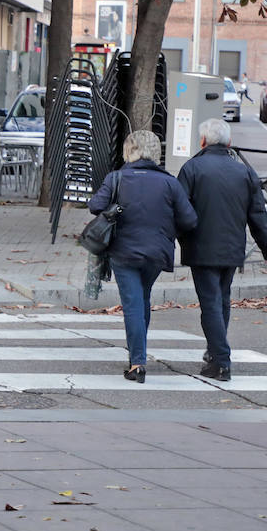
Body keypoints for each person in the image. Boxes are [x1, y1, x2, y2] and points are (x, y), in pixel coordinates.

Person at [88, 129, 197, 383]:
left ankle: (137, 362)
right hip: (157, 253)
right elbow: (190, 219)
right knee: (142, 299)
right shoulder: (170, 182)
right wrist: (168, 229)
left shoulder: (117, 178)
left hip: (123, 252)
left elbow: (95, 205)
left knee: (133, 305)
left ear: (130, 150)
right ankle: (137, 353)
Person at [176, 118, 267, 381]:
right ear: (229, 142)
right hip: (233, 249)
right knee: (221, 301)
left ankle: (221, 360)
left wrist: (176, 239)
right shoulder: (244, 172)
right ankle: (214, 352)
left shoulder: (191, 169)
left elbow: (178, 211)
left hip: (201, 248)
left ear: (202, 141)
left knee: (210, 304)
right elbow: (258, 215)